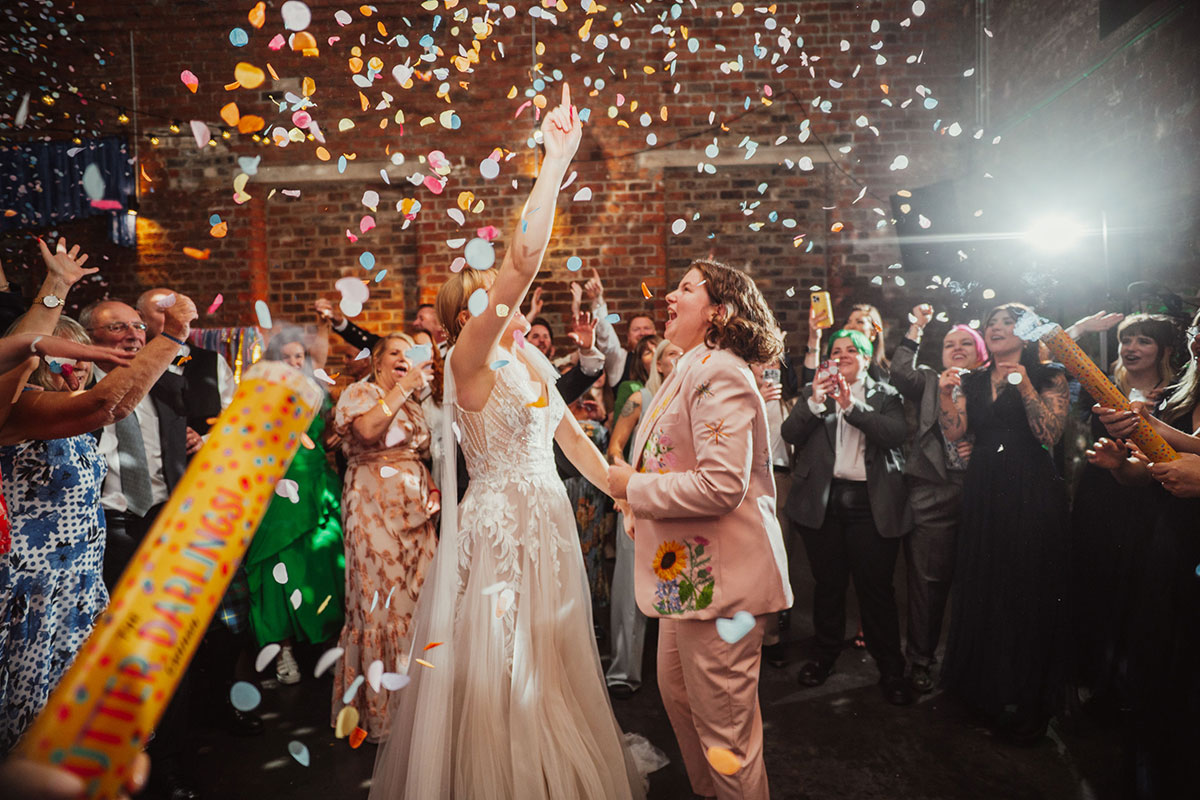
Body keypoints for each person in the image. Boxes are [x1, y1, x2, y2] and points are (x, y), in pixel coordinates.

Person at [370, 85, 648, 799]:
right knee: (502, 663)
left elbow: (580, 450)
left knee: (552, 658)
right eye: (491, 299)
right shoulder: (467, 362)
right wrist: (554, 162)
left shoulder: (530, 364)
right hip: (498, 530)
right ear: (467, 317)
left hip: (548, 518)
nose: (510, 303)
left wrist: (637, 491)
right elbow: (524, 261)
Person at [608, 259, 792, 800]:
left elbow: (720, 486)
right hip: (685, 575)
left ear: (719, 311)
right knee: (681, 699)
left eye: (686, 289)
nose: (670, 296)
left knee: (726, 734)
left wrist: (631, 490)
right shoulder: (686, 367)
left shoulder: (720, 371)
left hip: (723, 586)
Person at [0, 297, 196, 755]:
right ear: (36, 364)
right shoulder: (21, 411)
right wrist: (172, 337)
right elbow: (108, 405)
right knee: (37, 731)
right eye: (73, 356)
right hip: (35, 595)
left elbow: (119, 401)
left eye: (86, 353)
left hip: (80, 588)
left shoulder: (67, 406)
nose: (83, 365)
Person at [938, 302, 1071, 742]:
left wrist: (1024, 383)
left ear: (1026, 332)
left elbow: (1049, 433)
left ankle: (1026, 699)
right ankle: (981, 692)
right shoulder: (974, 379)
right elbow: (956, 432)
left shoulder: (1050, 376)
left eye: (1006, 322)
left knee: (1024, 587)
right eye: (990, 322)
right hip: (984, 488)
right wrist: (946, 394)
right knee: (984, 583)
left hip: (1030, 489)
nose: (995, 328)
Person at [781, 328, 913, 706]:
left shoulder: (885, 395)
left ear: (867, 357)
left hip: (870, 503)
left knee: (876, 590)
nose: (841, 354)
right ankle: (824, 657)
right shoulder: (815, 392)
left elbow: (894, 434)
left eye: (850, 349)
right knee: (828, 585)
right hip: (825, 500)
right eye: (835, 350)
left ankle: (891, 669)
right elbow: (790, 432)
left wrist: (851, 405)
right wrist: (816, 402)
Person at [1068, 313, 1179, 708]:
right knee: (1092, 582)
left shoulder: (1175, 398)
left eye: (1143, 341)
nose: (1131, 348)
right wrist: (1080, 330)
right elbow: (1054, 357)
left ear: (1165, 351)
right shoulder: (1104, 388)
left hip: (1147, 503)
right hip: (1099, 497)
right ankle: (1088, 675)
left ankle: (1122, 685)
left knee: (1132, 591)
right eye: (1125, 340)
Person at [332, 331, 436, 742]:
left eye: (408, 354)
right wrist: (404, 387)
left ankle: (421, 711)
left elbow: (425, 452)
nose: (402, 358)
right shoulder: (361, 393)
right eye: (394, 352)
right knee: (380, 607)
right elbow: (369, 432)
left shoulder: (415, 402)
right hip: (372, 511)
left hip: (416, 516)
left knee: (420, 601)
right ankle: (383, 717)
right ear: (377, 362)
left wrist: (433, 488)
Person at [889, 305, 987, 693]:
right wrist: (916, 327)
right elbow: (899, 373)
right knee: (926, 583)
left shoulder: (990, 384)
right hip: (931, 489)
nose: (957, 347)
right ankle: (921, 663)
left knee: (980, 579)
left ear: (982, 352)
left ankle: (974, 664)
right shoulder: (929, 380)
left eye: (967, 342)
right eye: (949, 343)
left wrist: (978, 447)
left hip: (982, 491)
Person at [244, 330, 345, 685]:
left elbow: (330, 432)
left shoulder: (318, 394)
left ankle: (328, 645)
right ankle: (283, 649)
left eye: (299, 356)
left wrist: (336, 436)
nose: (294, 363)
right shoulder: (256, 396)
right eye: (286, 357)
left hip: (317, 486)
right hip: (278, 492)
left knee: (322, 566)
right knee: (278, 567)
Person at [605, 338, 683, 697]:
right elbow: (615, 447)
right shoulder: (641, 400)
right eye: (671, 353)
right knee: (629, 587)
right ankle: (624, 671)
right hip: (637, 501)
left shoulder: (691, 403)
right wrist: (626, 486)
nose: (679, 357)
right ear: (660, 365)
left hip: (677, 505)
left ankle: (677, 671)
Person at [137, 287, 235, 437]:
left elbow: (233, 417)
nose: (175, 317)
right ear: (140, 318)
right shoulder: (132, 365)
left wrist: (204, 441)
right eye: (163, 311)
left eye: (180, 311)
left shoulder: (212, 361)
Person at [585, 268, 658, 387]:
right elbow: (605, 334)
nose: (642, 333)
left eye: (646, 328)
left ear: (655, 332)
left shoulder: (667, 356)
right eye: (636, 329)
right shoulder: (619, 359)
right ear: (628, 337)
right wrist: (597, 299)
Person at [612, 334, 661, 434]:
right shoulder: (630, 388)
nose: (655, 354)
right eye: (648, 352)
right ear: (640, 363)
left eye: (659, 349)